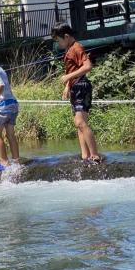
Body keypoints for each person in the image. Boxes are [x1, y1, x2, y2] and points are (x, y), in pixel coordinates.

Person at [51, 22, 101, 164]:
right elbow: (73, 70)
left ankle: (95, 156)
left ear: (66, 36)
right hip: (74, 86)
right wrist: (68, 85)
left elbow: (87, 66)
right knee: (78, 124)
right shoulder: (69, 49)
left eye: (58, 40)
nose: (58, 43)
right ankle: (85, 156)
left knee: (80, 122)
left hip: (81, 86)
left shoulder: (76, 47)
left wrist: (67, 77)